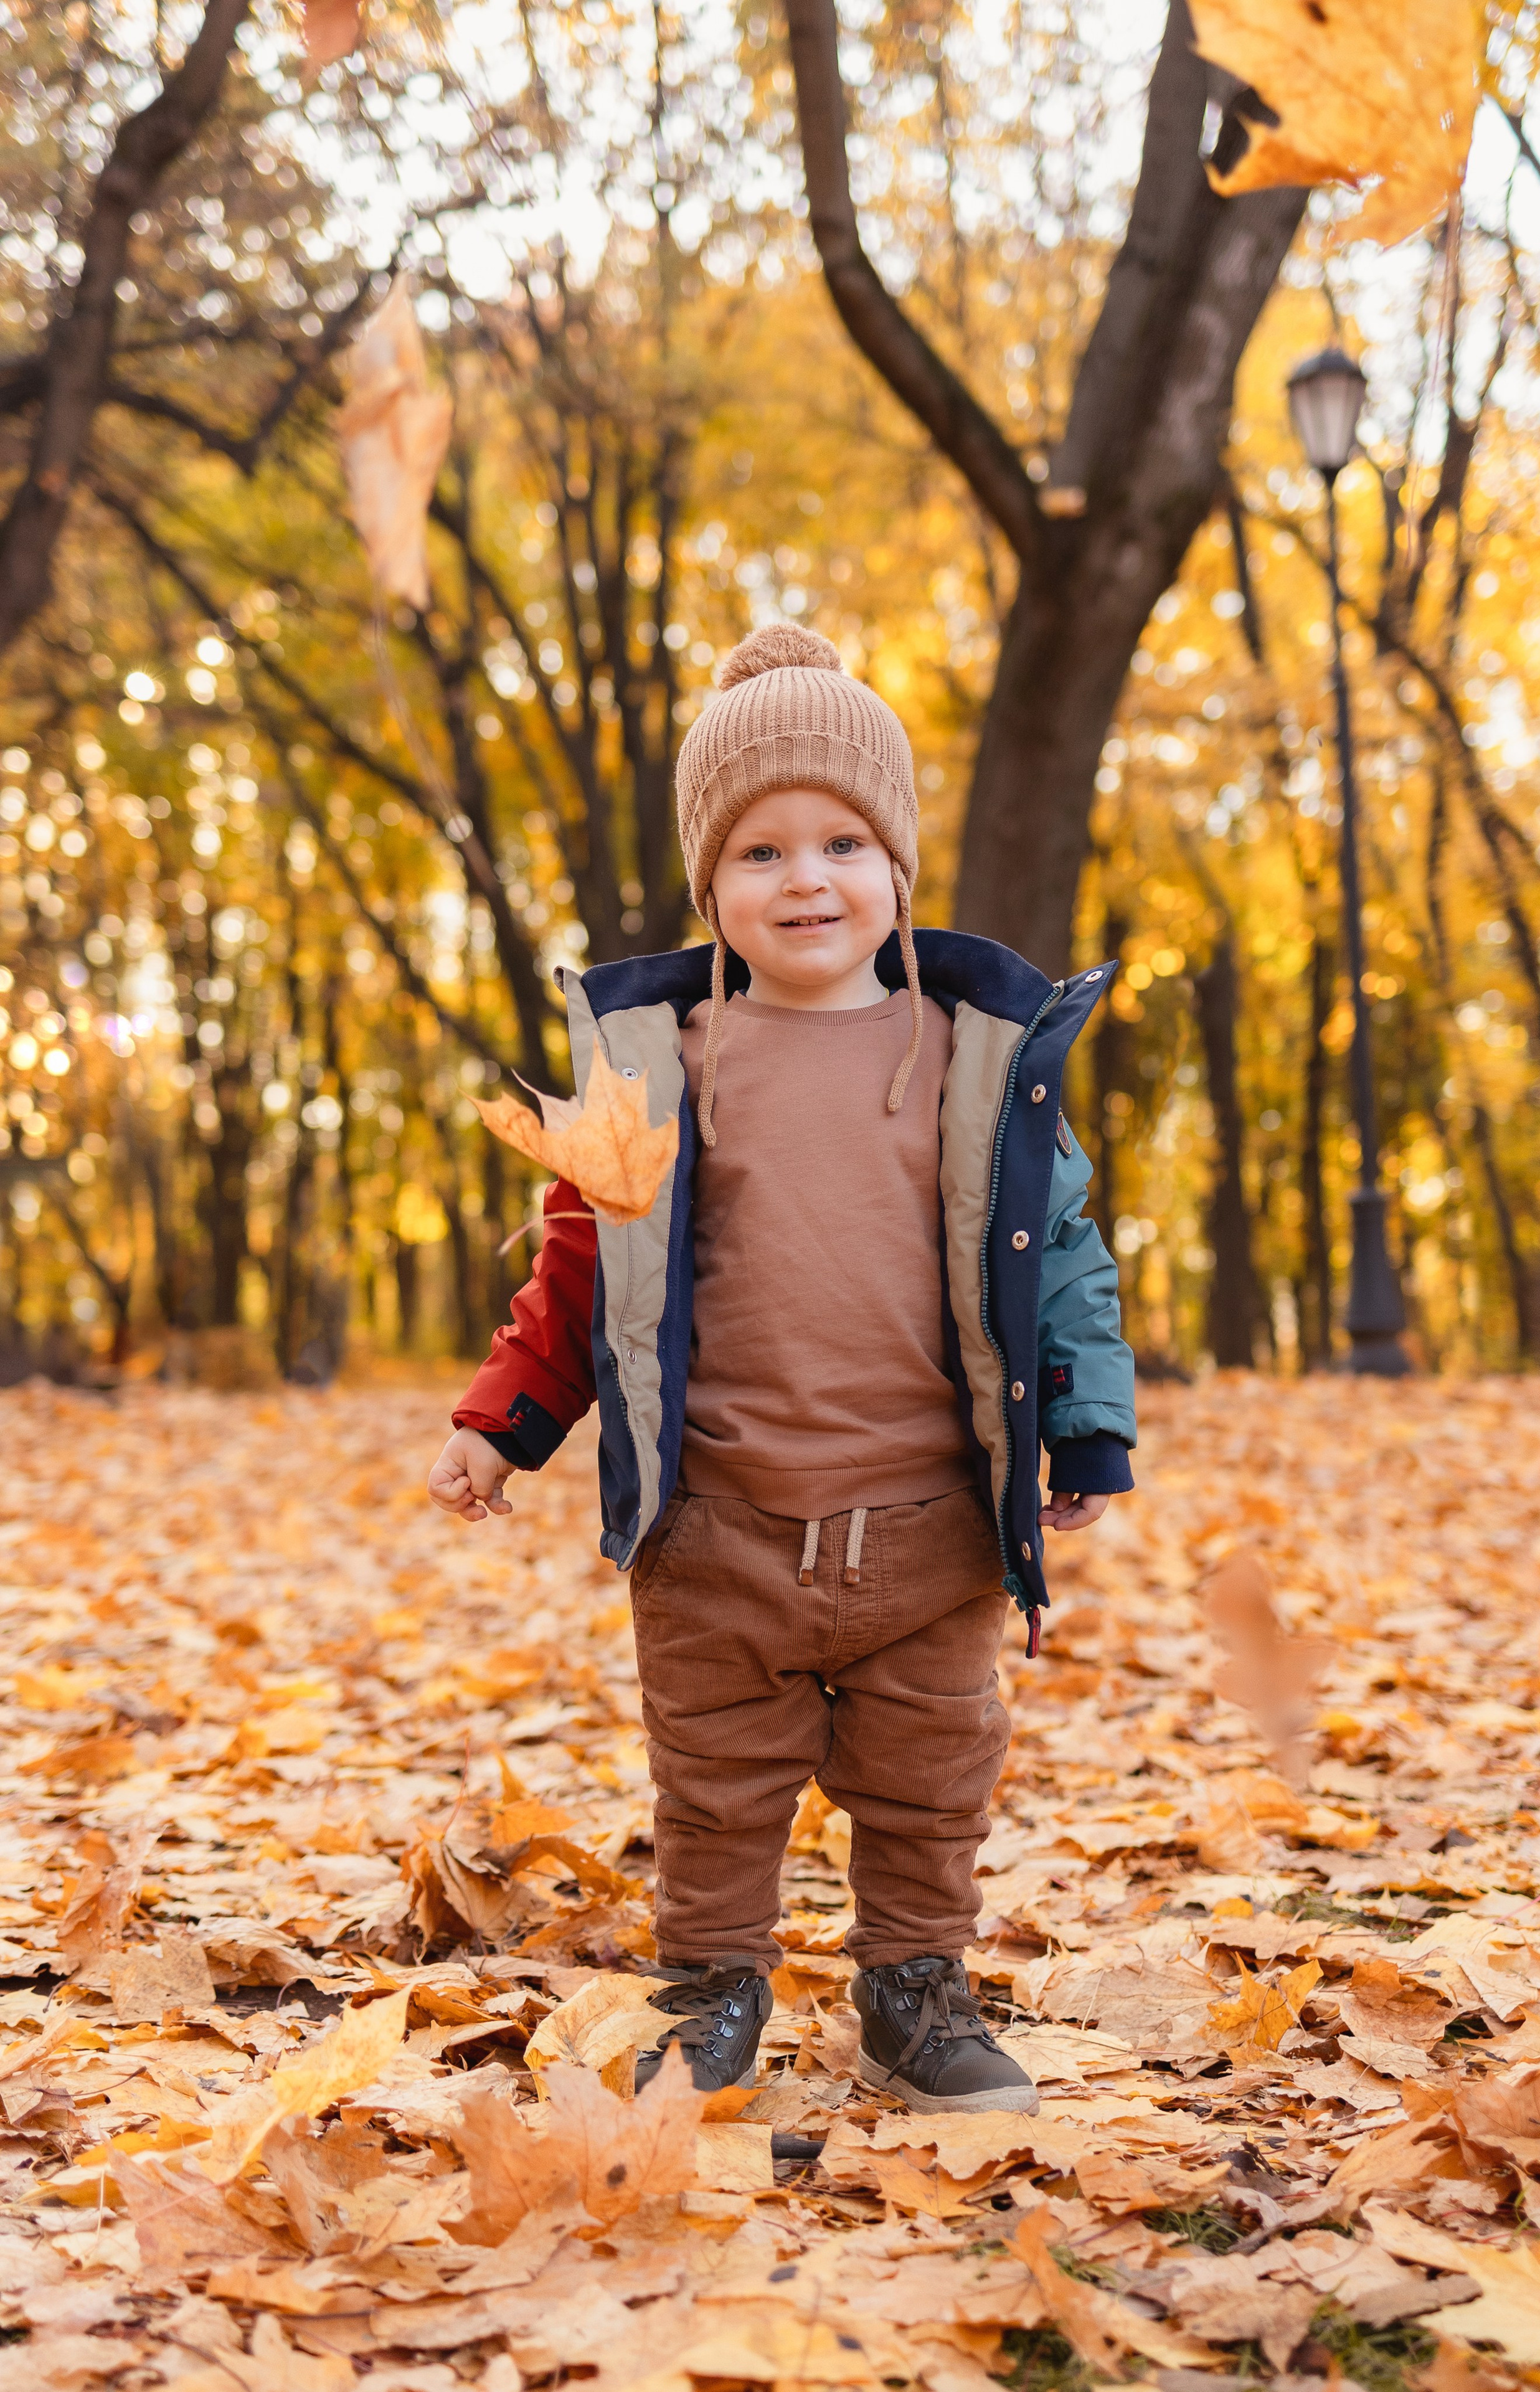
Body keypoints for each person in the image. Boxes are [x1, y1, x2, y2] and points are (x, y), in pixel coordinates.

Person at [427, 623, 1135, 2115]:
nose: (804, 879)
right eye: (758, 851)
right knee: (715, 1782)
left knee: (932, 1776)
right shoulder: (661, 1064)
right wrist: (502, 1422)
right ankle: (710, 1985)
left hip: (930, 1524)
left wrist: (1083, 1427)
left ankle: (912, 1993)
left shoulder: (972, 1060)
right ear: (711, 887)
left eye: (840, 843)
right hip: (717, 1526)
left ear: (895, 867)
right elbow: (580, 1266)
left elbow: (1059, 1249)